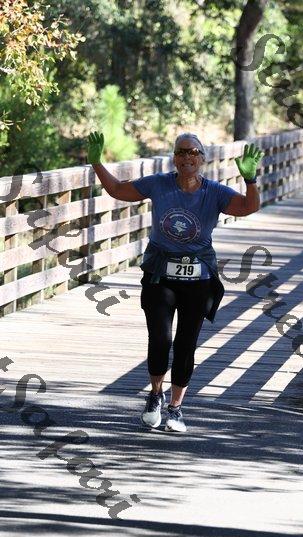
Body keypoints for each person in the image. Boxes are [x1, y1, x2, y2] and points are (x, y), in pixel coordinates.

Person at [87, 131, 263, 432]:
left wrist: (250, 180)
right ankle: (155, 395)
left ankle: (176, 407)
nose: (187, 157)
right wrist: (96, 163)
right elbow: (117, 190)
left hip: (198, 278)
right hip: (160, 275)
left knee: (186, 344)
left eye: (193, 152)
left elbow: (249, 207)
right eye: (181, 152)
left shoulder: (214, 192)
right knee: (160, 338)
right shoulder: (159, 184)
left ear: (202, 159)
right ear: (174, 158)